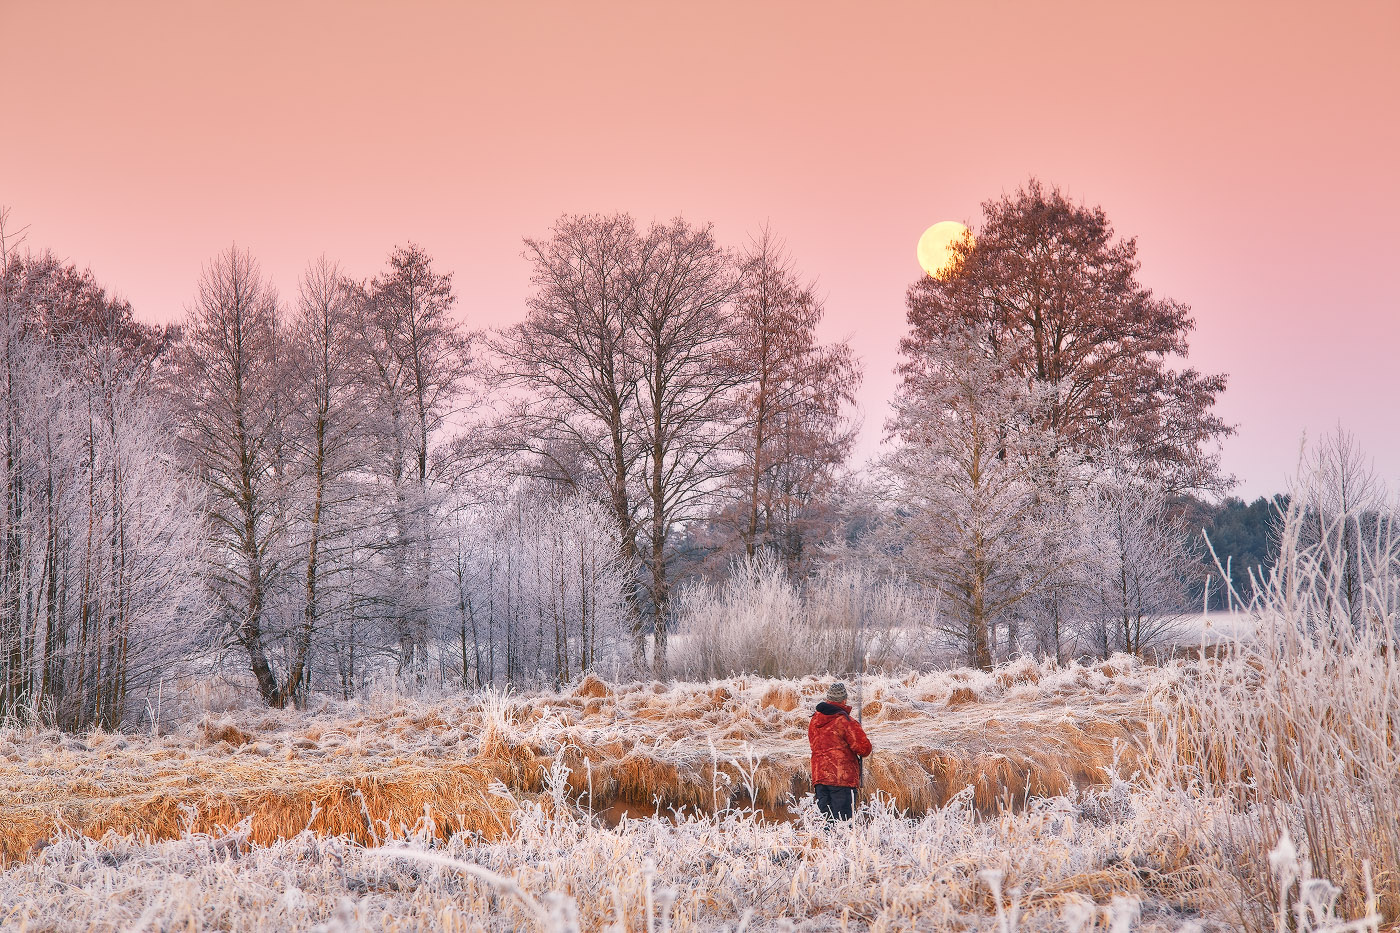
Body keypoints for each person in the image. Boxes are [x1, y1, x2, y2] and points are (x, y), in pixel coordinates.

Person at [807, 681, 871, 821]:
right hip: (842, 780)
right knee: (843, 825)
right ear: (844, 700)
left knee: (825, 824)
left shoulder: (814, 720)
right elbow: (864, 749)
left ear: (828, 699)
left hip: (820, 778)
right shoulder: (846, 721)